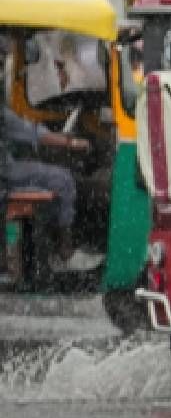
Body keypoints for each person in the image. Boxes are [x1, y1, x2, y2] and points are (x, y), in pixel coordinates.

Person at [2, 59, 101, 271]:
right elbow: (35, 134)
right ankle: (65, 253)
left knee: (49, 180)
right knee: (63, 180)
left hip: (6, 168)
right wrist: (72, 142)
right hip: (5, 173)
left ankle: (46, 248)